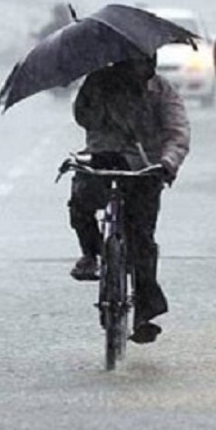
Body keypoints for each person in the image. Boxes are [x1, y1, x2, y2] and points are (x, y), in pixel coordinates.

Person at [67, 55, 190, 344]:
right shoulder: (99, 81)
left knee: (142, 241)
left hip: (146, 169)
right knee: (80, 202)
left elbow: (177, 132)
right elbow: (83, 118)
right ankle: (90, 255)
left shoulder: (161, 91)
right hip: (102, 159)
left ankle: (144, 314)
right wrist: (98, 92)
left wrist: (167, 163)